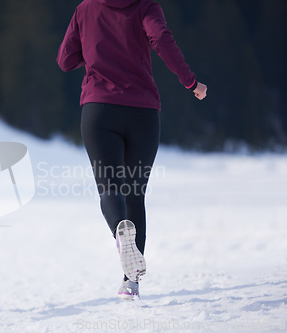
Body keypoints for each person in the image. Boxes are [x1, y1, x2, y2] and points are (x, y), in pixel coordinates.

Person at [57, 0, 207, 300]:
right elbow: (161, 39)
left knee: (110, 188)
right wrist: (190, 82)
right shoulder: (146, 6)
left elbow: (65, 59)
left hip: (99, 110)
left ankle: (119, 231)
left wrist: (93, 53)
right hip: (143, 112)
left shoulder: (86, 8)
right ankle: (130, 281)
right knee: (135, 194)